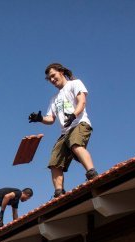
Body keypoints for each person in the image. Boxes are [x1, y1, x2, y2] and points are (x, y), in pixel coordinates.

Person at [29, 62, 98, 198]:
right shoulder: (54, 99)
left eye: (53, 76)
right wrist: (40, 118)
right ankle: (59, 192)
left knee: (75, 144)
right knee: (54, 162)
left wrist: (73, 115)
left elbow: (82, 101)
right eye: (49, 79)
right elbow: (51, 119)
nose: (52, 80)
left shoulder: (74, 84)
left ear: (61, 72)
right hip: (64, 132)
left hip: (79, 123)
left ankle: (92, 174)